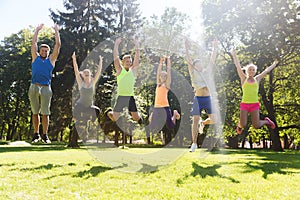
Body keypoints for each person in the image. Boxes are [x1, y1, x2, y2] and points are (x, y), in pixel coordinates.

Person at [231, 48, 278, 134]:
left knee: (256, 125)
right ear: (247, 71)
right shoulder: (243, 78)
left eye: (253, 70)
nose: (251, 71)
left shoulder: (257, 79)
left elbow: (266, 71)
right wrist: (234, 55)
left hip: (254, 104)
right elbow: (237, 66)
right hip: (244, 104)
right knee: (243, 124)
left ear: (255, 71)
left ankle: (267, 121)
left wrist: (274, 64)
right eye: (250, 69)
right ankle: (239, 125)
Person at [185, 39, 218, 152]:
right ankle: (194, 143)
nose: (198, 66)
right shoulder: (193, 73)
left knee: (214, 120)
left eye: (200, 64)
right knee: (195, 119)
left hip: (208, 99)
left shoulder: (206, 71)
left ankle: (203, 123)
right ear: (194, 66)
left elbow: (212, 60)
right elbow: (189, 61)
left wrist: (214, 47)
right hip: (198, 99)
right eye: (196, 64)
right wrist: (186, 47)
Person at [29, 23, 61, 143]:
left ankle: (45, 135)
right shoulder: (35, 58)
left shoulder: (51, 61)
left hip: (46, 88)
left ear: (48, 52)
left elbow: (57, 45)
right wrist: (37, 30)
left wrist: (56, 31)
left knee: (45, 113)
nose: (44, 52)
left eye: (46, 51)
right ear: (39, 51)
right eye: (42, 50)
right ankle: (36, 134)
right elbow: (33, 44)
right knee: (35, 112)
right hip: (34, 86)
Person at [106, 37, 143, 124]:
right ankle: (109, 112)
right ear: (123, 62)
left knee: (136, 118)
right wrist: (116, 45)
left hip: (130, 97)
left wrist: (137, 46)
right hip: (121, 97)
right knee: (114, 118)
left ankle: (140, 119)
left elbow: (137, 58)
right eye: (127, 61)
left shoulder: (133, 71)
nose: (129, 63)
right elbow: (115, 58)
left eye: (130, 61)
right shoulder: (119, 70)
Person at [72, 52, 102, 141]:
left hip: (89, 106)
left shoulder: (93, 83)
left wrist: (100, 61)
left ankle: (91, 120)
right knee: (77, 107)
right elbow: (76, 72)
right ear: (83, 76)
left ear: (90, 75)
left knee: (97, 110)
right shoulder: (81, 83)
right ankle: (75, 120)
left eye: (88, 74)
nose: (87, 76)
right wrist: (74, 59)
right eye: (85, 75)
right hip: (80, 105)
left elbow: (98, 72)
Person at [149, 56, 180, 136]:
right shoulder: (158, 85)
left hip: (165, 106)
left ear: (166, 78)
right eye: (161, 76)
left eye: (165, 76)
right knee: (152, 126)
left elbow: (169, 71)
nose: (163, 77)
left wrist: (168, 60)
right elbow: (158, 71)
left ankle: (174, 113)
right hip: (157, 107)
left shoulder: (166, 85)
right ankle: (152, 115)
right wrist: (161, 62)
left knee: (170, 126)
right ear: (159, 77)